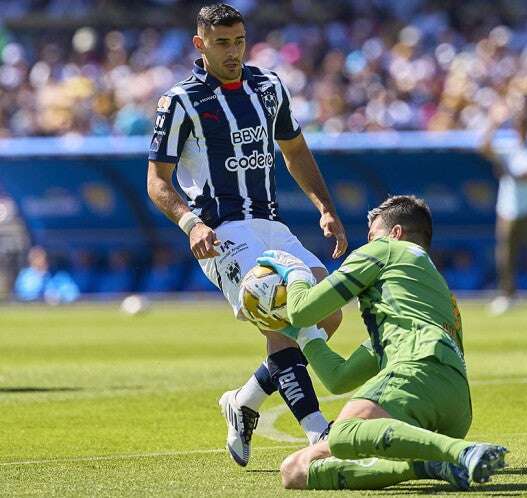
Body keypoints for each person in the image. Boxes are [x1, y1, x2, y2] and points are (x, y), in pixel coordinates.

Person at [145, 3, 347, 467]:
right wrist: (190, 222)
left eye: (238, 41)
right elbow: (157, 180)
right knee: (279, 322)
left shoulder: (268, 86)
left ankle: (245, 401)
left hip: (272, 224)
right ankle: (320, 435)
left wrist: (325, 208)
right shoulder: (180, 101)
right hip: (221, 232)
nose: (233, 51)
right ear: (200, 44)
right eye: (221, 43)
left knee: (327, 315)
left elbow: (294, 149)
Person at [257, 195, 507, 491]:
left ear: (396, 233)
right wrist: (303, 334)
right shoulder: (424, 294)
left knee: (343, 432)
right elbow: (339, 378)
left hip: (416, 373)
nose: (369, 243)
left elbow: (302, 308)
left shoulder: (385, 250)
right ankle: (428, 464)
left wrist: (296, 272)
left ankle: (459, 453)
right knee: (296, 470)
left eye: (372, 236)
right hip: (455, 403)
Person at [479, 105, 527, 316]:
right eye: (518, 126)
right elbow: (484, 147)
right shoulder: (508, 148)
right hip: (507, 210)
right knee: (506, 256)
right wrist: (494, 123)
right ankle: (508, 295)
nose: (520, 130)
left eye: (524, 126)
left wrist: (504, 169)